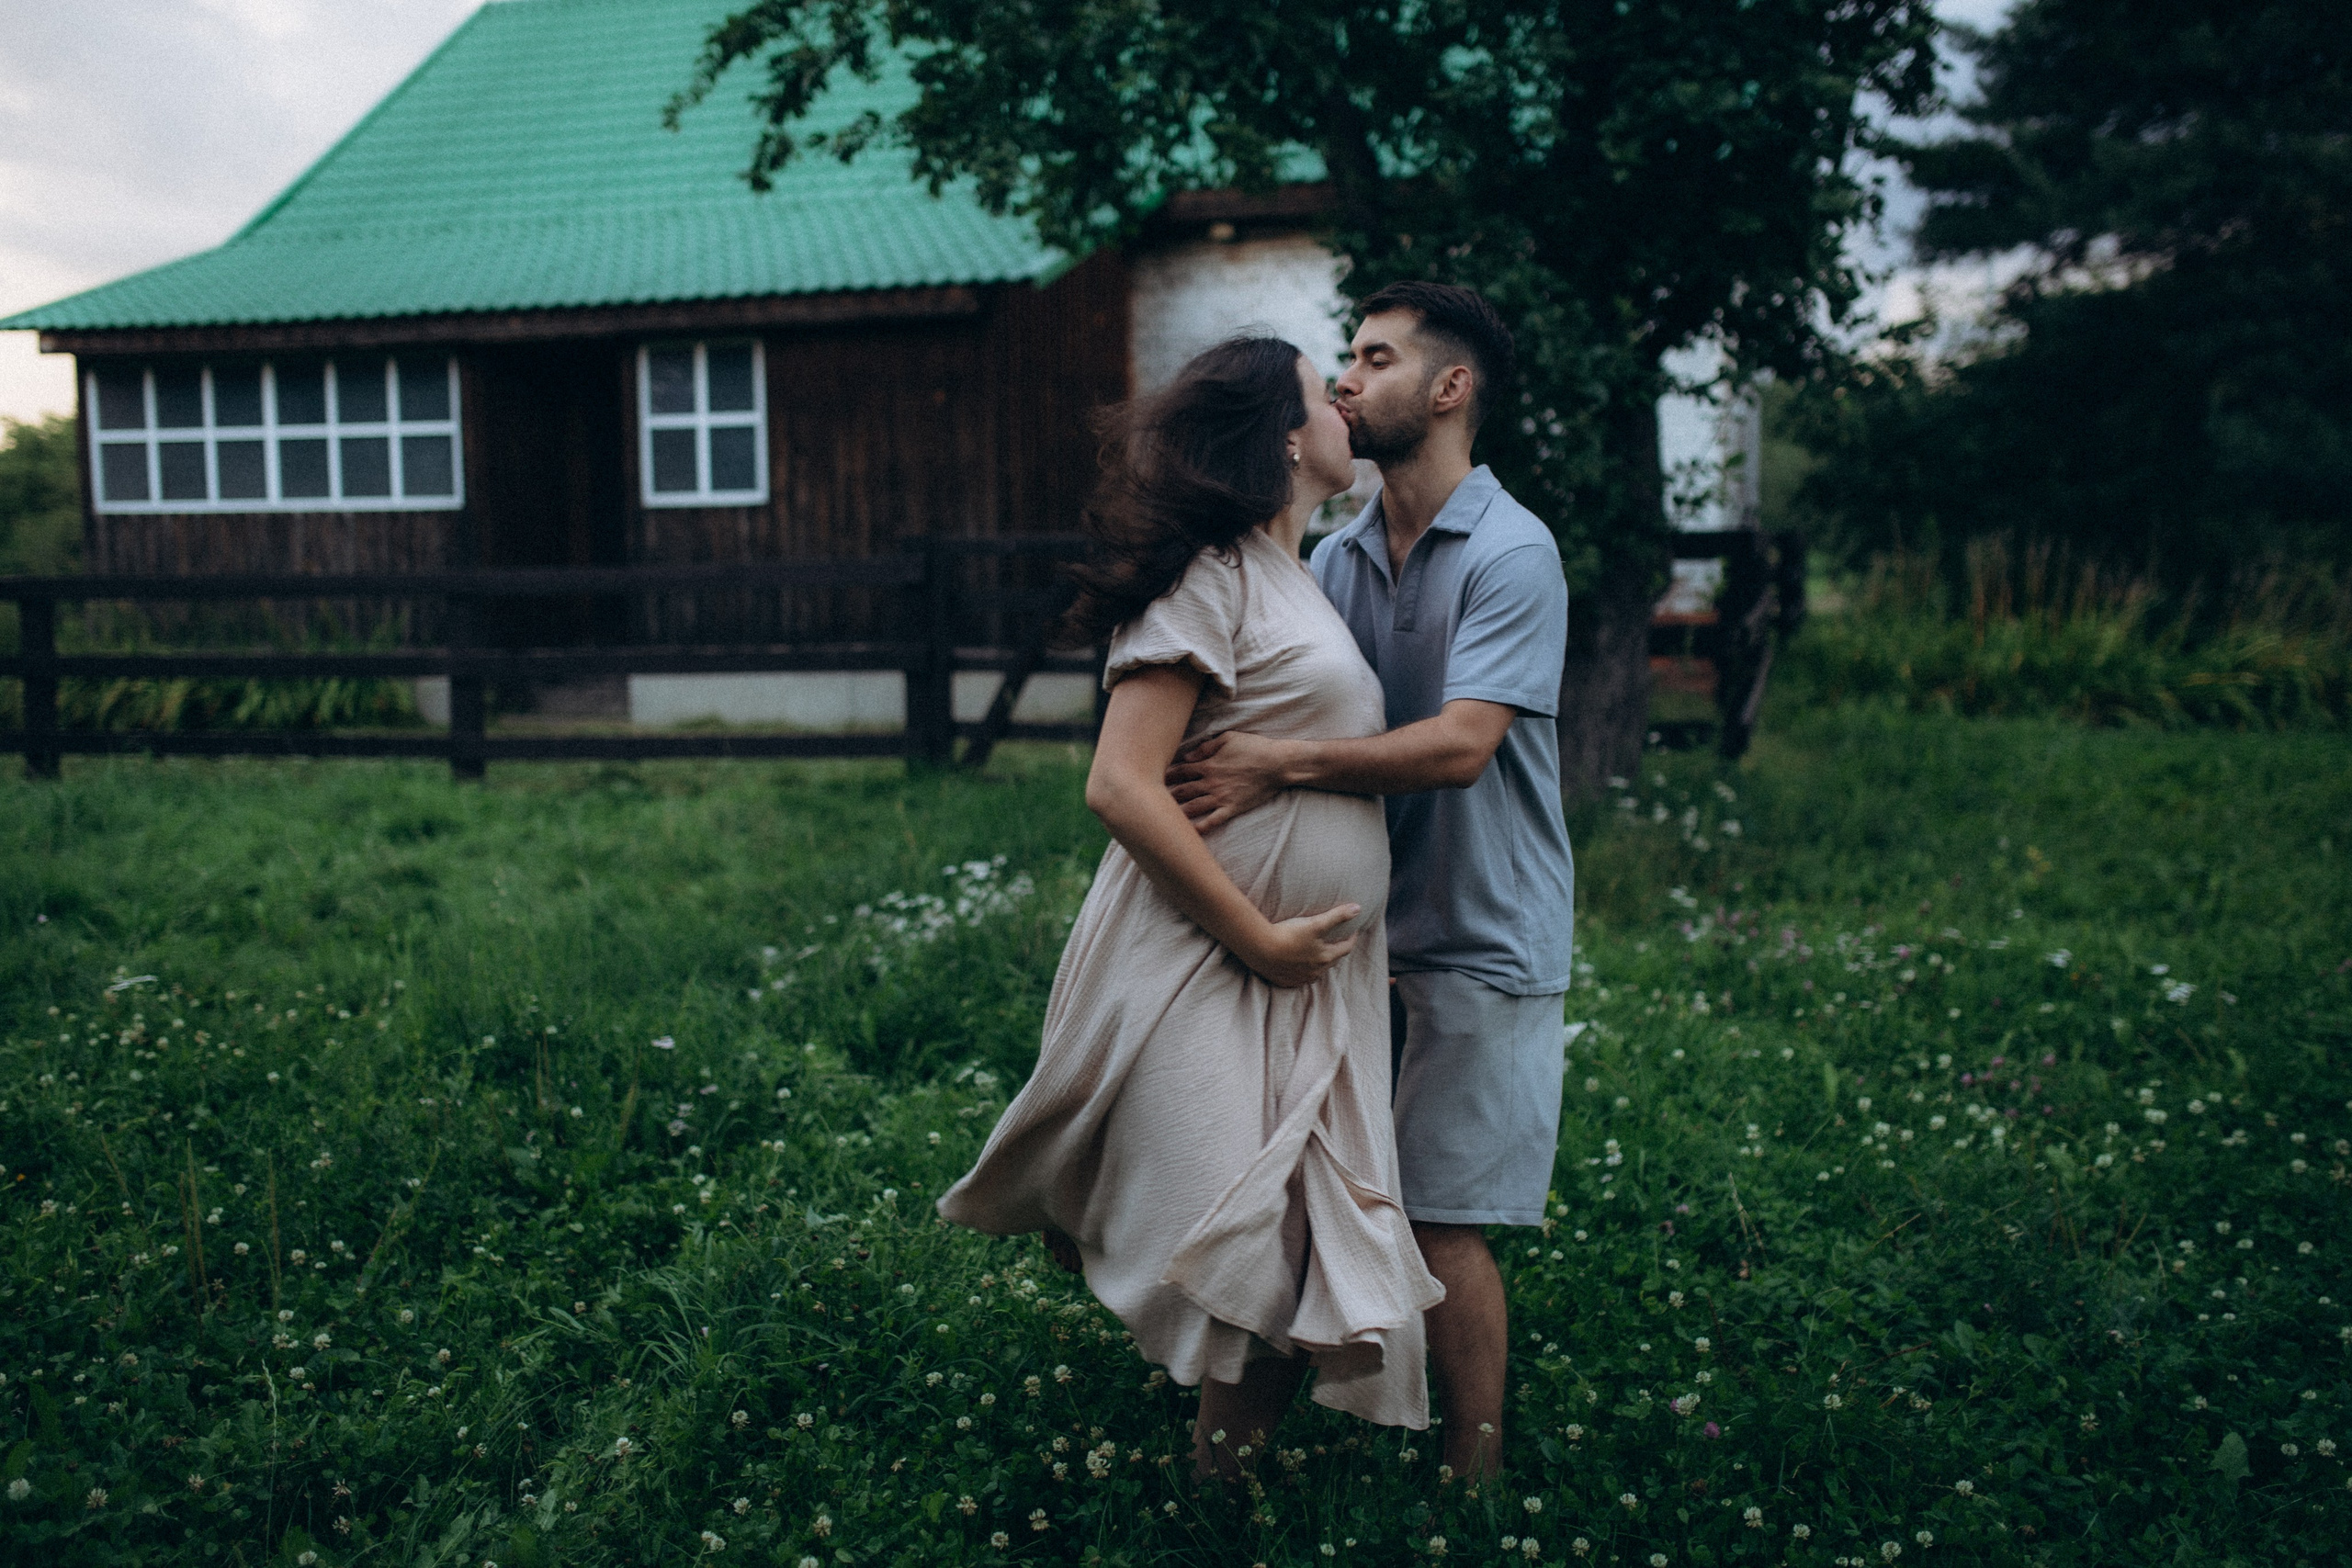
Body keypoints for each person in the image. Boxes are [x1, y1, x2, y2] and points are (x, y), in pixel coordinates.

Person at [937, 337, 1446, 1480]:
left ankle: (1225, 1486)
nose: (1346, 408)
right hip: (1204, 956)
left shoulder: (1298, 575)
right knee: (1240, 1221)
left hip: (1308, 979)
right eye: (1327, 394)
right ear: (1281, 437)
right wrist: (1261, 936)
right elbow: (1120, 783)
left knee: (1288, 1231)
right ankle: (1220, 1485)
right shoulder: (1205, 573)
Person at [1168, 282, 1574, 1483]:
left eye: (1377, 357)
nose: (1350, 377)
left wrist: (1277, 761)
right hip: (1344, 940)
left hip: (1480, 936)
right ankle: (1220, 1477)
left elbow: (1460, 744)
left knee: (1442, 1213)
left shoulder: (1513, 550)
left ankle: (1475, 1475)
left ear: (1450, 390)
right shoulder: (1333, 557)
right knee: (1299, 1203)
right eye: (1345, 358)